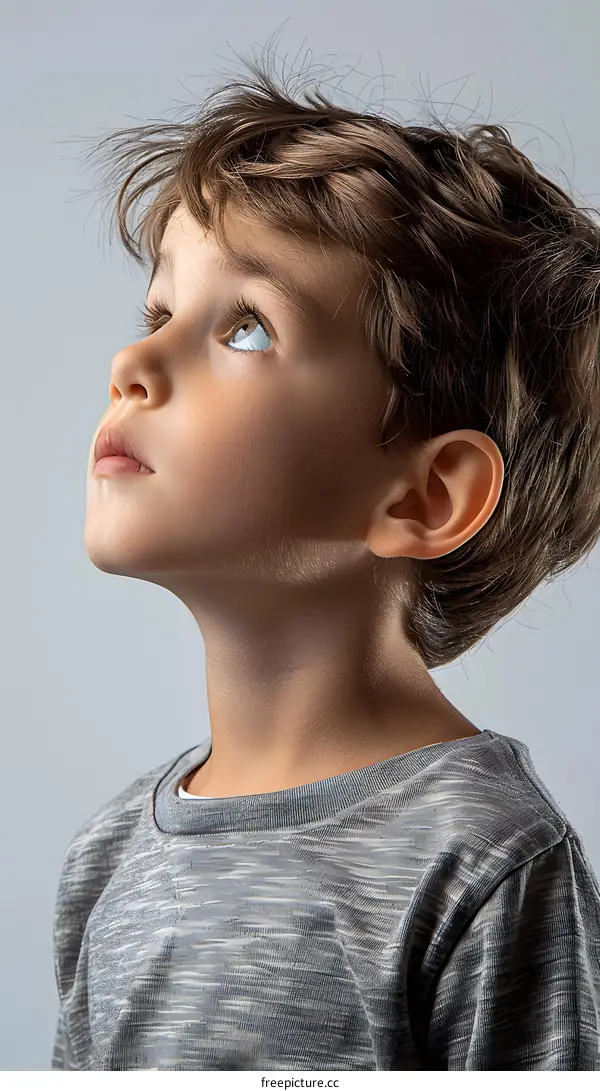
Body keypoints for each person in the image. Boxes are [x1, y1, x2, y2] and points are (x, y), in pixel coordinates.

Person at [52, 50, 600, 1070]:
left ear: (424, 497)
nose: (131, 366)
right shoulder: (110, 852)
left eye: (247, 327)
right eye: (160, 316)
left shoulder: (484, 857)